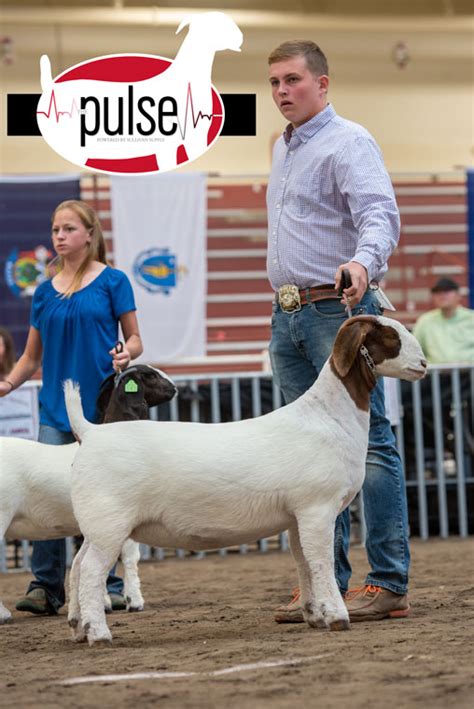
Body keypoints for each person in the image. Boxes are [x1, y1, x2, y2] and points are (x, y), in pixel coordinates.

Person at [267, 40, 410, 622]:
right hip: (288, 314)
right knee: (307, 455)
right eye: (274, 81)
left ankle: (388, 582)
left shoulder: (349, 139)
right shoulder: (281, 147)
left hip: (337, 312)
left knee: (370, 444)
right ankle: (325, 586)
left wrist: (363, 263)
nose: (281, 91)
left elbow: (380, 213)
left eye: (293, 80)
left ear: (323, 84)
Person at [0, 199, 143, 616]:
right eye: (55, 229)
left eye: (67, 229)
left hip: (100, 409)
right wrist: (8, 383)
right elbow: (30, 356)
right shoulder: (43, 292)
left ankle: (108, 584)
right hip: (55, 411)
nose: (58, 236)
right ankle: (46, 586)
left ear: (89, 234)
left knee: (103, 498)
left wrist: (125, 354)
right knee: (46, 496)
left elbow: (135, 339)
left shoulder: (113, 281)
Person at [412, 278, 474, 364]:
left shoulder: (471, 318)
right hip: (435, 375)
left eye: (447, 291)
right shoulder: (425, 321)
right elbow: (414, 351)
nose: (442, 295)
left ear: (458, 295)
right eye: (437, 292)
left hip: (469, 374)